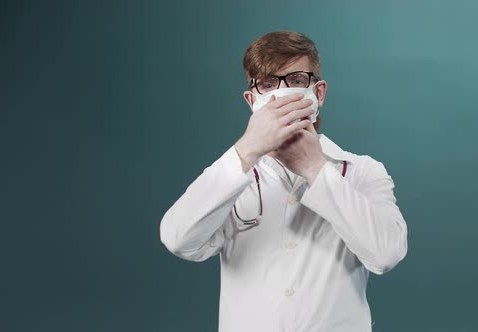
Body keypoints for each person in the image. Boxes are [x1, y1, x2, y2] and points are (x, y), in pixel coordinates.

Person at [160, 31, 408, 332]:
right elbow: (179, 240)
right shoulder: (234, 176)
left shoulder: (362, 171)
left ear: (318, 93)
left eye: (296, 80)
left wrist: (316, 169)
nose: (282, 93)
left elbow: (386, 255)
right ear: (252, 100)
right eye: (267, 84)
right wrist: (247, 149)